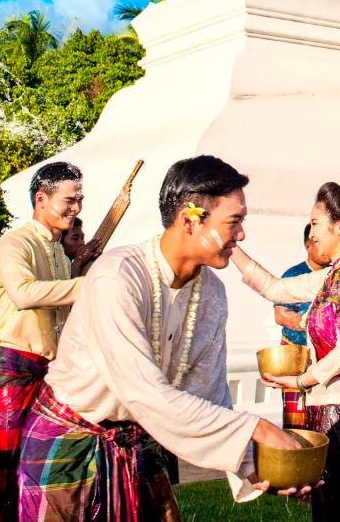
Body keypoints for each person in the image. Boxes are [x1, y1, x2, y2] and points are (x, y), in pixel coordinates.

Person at [16, 156, 312, 521]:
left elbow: (209, 395)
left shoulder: (213, 294)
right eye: (234, 221)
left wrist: (261, 465)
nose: (242, 234)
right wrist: (257, 427)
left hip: (136, 443)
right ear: (190, 220)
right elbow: (144, 393)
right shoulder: (119, 276)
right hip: (70, 444)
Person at [231, 178, 340, 521]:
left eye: (315, 223)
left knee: (337, 508)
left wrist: (303, 381)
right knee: (329, 507)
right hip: (327, 405)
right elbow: (274, 288)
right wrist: (226, 241)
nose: (311, 233)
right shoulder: (333, 276)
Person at [0, 162, 98, 521]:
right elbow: (25, 294)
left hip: (49, 381)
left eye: (80, 200)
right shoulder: (15, 243)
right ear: (41, 199)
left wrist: (80, 273)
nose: (75, 209)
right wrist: (90, 284)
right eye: (69, 200)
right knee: (1, 489)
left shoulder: (60, 251)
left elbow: (60, 317)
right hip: (10, 381)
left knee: (40, 483)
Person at [274, 224, 330, 429]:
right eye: (318, 243)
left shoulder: (335, 274)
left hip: (324, 355)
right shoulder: (294, 274)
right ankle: (297, 454)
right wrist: (313, 326)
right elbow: (281, 315)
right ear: (308, 246)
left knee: (322, 414)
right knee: (296, 415)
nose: (325, 248)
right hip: (296, 352)